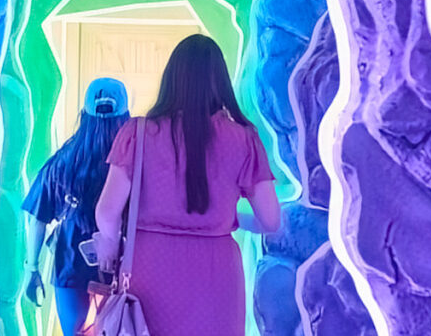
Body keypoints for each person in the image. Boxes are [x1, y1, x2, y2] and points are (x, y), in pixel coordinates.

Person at [94, 34, 281, 336]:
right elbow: (270, 220)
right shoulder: (244, 139)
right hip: (216, 273)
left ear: (172, 79)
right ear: (220, 82)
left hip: (151, 266)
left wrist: (110, 244)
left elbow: (107, 212)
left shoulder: (139, 134)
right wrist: (230, 219)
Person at [21, 77, 131, 335]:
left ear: (84, 114)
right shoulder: (134, 163)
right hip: (124, 266)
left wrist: (32, 268)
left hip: (70, 265)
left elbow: (38, 218)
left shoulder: (63, 160)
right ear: (126, 117)